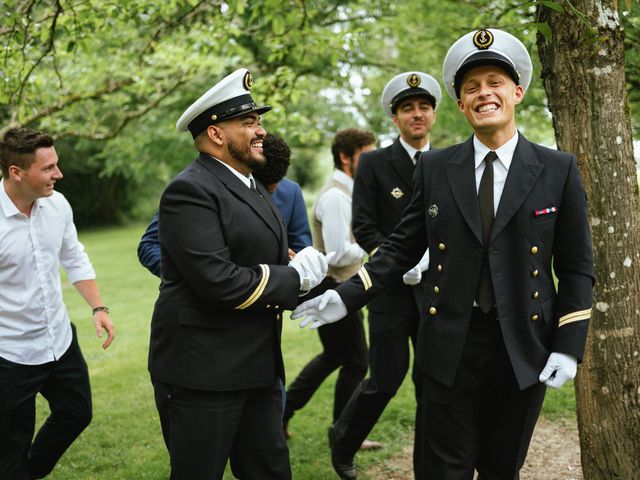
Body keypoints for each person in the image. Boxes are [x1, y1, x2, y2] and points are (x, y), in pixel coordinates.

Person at [293, 28, 594, 480]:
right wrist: (346, 296)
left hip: (522, 349)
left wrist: (568, 346)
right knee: (440, 471)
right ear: (460, 104)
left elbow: (575, 266)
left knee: (500, 470)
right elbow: (399, 246)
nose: (483, 94)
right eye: (471, 87)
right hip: (449, 344)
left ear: (518, 92)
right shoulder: (436, 168)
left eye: (494, 82)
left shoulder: (557, 169)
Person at [147, 68, 329, 480]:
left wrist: (315, 283)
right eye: (248, 123)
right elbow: (219, 281)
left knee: (271, 472)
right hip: (203, 375)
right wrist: (293, 277)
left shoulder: (252, 185)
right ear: (215, 134)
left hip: (258, 368)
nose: (260, 130)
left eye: (258, 121)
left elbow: (270, 260)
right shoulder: (189, 190)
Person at [326, 72, 441, 479]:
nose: (417, 114)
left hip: (436, 290)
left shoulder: (449, 161)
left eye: (423, 107)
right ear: (395, 118)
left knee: (433, 381)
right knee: (386, 379)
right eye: (407, 108)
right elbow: (365, 225)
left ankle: (428, 465)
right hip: (389, 290)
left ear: (433, 114)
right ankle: (342, 441)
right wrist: (397, 260)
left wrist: (430, 262)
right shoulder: (374, 163)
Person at [0, 127, 115, 479]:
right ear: (16, 172)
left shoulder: (58, 205)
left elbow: (74, 258)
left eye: (57, 164)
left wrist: (98, 308)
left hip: (59, 341)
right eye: (48, 168)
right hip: (10, 353)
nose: (58, 174)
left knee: (77, 413)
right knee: (10, 446)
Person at [283, 128, 379, 450]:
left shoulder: (349, 192)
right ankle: (344, 432)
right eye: (366, 156)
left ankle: (282, 413)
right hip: (334, 287)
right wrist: (376, 246)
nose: (372, 162)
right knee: (356, 362)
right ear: (345, 156)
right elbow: (338, 253)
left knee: (335, 357)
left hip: (340, 287)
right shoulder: (337, 196)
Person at [137, 132, 312, 276]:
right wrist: (191, 274)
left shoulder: (291, 191)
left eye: (274, 189)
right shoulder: (198, 189)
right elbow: (149, 245)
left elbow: (302, 250)